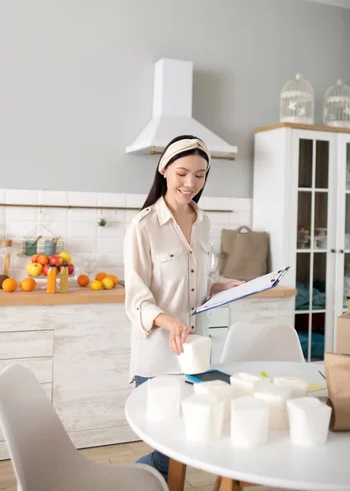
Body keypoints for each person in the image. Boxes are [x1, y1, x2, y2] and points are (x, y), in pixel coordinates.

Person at [124, 135, 243, 480]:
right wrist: (169, 322)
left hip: (195, 355)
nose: (191, 183)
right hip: (157, 357)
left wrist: (222, 286)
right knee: (167, 452)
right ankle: (130, 485)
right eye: (182, 173)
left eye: (200, 174)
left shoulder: (203, 221)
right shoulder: (143, 226)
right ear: (164, 170)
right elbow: (136, 298)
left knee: (186, 445)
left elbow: (199, 283)